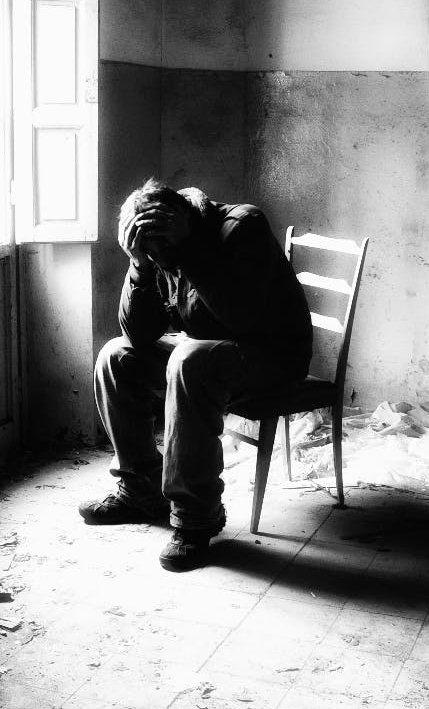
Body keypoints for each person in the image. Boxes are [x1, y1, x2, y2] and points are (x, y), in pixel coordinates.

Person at [79, 180, 313, 572]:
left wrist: (187, 252)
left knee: (190, 360)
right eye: (149, 251)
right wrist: (139, 265)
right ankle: (140, 490)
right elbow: (137, 333)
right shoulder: (156, 248)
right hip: (207, 352)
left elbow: (240, 318)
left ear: (183, 219)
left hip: (272, 357)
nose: (161, 259)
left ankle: (196, 517)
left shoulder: (242, 226)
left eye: (162, 249)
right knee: (115, 356)